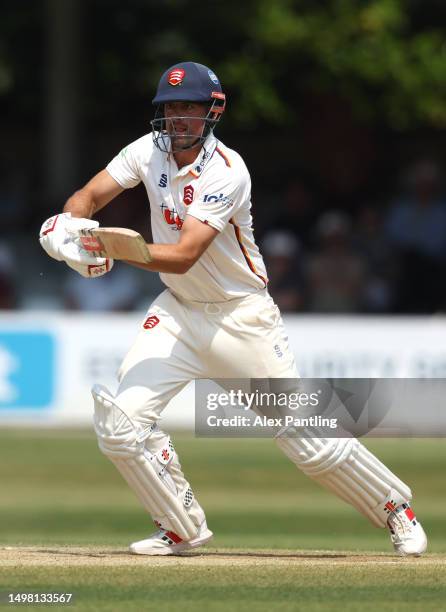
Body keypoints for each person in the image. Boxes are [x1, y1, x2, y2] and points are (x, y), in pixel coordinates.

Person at [39, 61, 427, 556]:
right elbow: (90, 195)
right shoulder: (147, 150)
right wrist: (69, 229)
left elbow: (182, 256)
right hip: (178, 313)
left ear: (211, 113)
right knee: (121, 426)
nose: (177, 118)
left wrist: (104, 245)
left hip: (240, 318)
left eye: (189, 108)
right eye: (170, 108)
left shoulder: (227, 171)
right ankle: (180, 526)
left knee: (305, 440)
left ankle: (396, 509)